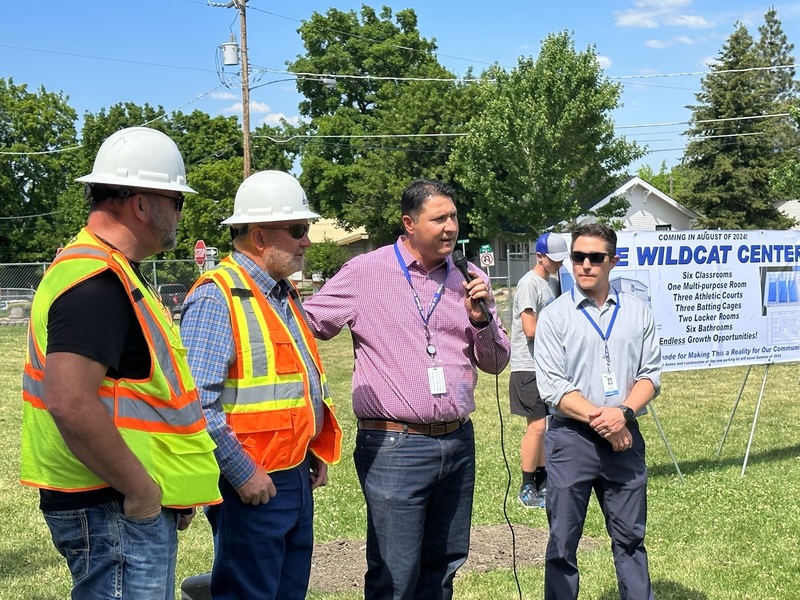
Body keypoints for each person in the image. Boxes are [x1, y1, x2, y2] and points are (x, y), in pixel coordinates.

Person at [19, 126, 222, 599]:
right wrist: (143, 490)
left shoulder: (112, 274)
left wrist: (170, 488)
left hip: (118, 502)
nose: (179, 214)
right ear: (142, 204)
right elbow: (70, 401)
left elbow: (144, 399)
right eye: (178, 200)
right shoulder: (97, 283)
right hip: (113, 506)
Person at [302, 178, 511, 600]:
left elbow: (495, 362)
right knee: (394, 573)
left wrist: (481, 318)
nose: (451, 227)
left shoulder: (468, 277)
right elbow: (305, 325)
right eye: (440, 219)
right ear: (409, 223)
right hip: (394, 444)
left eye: (454, 217)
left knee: (444, 565)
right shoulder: (365, 272)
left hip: (457, 442)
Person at [180, 170, 343, 600]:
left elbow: (294, 384)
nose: (307, 240)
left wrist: (311, 449)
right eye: (297, 230)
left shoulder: (282, 291)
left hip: (292, 475)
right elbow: (197, 403)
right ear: (258, 237)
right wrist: (241, 472)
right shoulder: (217, 296)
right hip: (250, 485)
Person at [534, 223, 662, 600]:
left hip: (624, 438)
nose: (585, 265)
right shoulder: (555, 316)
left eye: (595, 257)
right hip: (571, 440)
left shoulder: (638, 313)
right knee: (562, 544)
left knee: (630, 540)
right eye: (577, 257)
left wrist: (622, 412)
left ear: (613, 261)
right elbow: (553, 388)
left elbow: (650, 375)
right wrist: (604, 420)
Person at [509, 232, 567, 509]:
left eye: (561, 260)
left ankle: (543, 481)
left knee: (547, 427)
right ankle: (526, 485)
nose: (559, 265)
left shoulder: (553, 282)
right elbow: (530, 329)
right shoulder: (529, 284)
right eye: (554, 260)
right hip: (527, 366)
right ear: (539, 256)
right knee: (537, 427)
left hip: (547, 366)